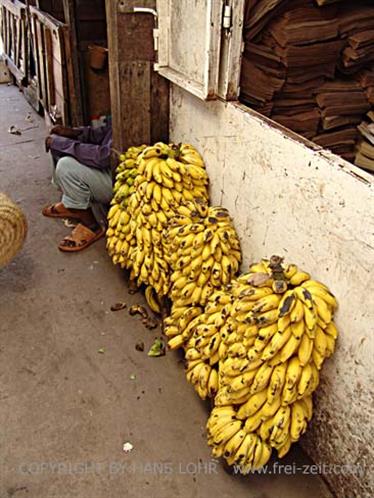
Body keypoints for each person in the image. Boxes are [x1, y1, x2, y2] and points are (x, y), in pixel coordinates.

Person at [43, 123, 113, 252]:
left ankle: (91, 226)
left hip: (119, 181)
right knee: (59, 145)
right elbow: (101, 133)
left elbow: (103, 157)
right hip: (108, 169)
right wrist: (74, 133)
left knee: (66, 166)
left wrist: (63, 144)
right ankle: (72, 204)